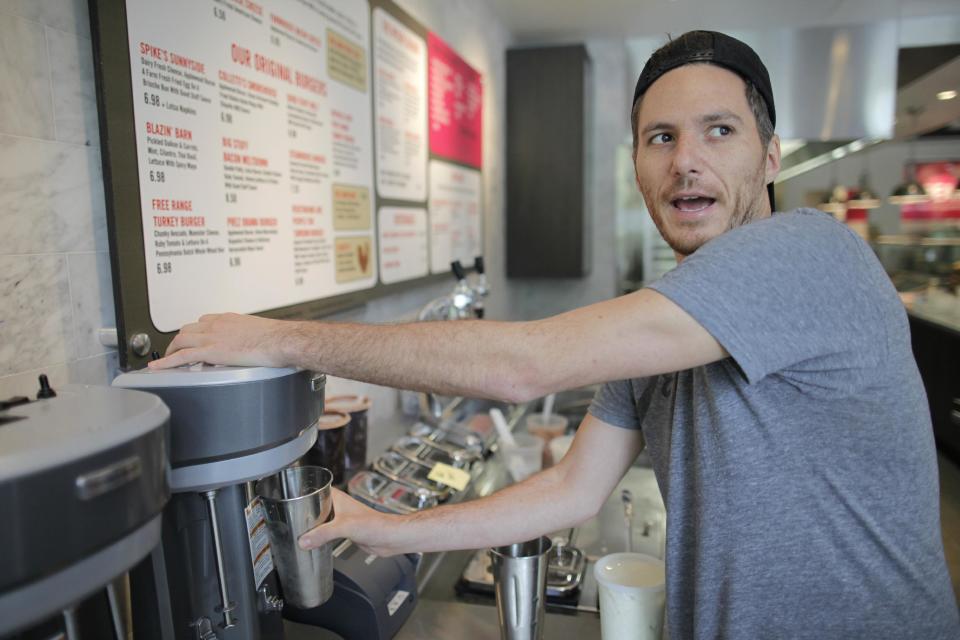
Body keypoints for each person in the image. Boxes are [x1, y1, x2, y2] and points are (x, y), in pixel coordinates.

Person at [152, 31, 959, 638]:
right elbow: (569, 491)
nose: (686, 162)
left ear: (773, 155)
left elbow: (524, 365)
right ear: (638, 163)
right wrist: (384, 527)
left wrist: (276, 338)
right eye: (661, 137)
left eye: (720, 131)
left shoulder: (806, 253)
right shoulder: (668, 322)